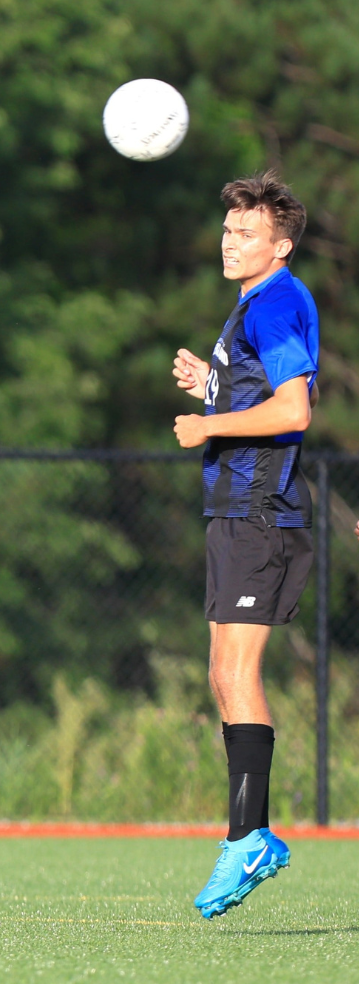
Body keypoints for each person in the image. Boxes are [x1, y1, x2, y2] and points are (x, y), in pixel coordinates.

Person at [171, 169, 318, 919]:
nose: (232, 243)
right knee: (224, 677)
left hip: (260, 514)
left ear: (281, 244)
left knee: (235, 672)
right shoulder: (254, 307)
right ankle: (248, 834)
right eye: (228, 230)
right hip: (238, 512)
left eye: (248, 233)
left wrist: (209, 424)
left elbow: (294, 410)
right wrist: (212, 387)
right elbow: (260, 394)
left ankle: (250, 836)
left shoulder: (280, 302)